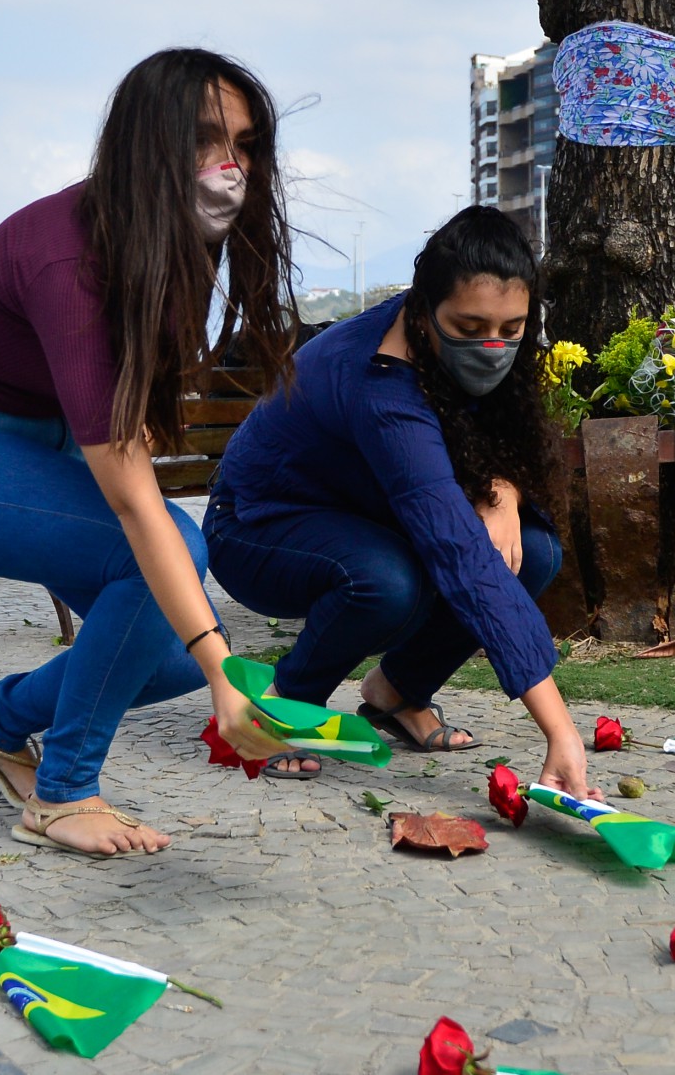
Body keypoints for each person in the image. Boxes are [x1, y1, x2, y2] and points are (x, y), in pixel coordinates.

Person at [0, 49, 298, 857]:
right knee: (177, 563)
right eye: (208, 137)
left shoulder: (170, 246)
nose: (231, 165)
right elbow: (137, 504)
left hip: (42, 445)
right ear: (149, 141)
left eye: (246, 145)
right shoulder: (68, 253)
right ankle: (65, 790)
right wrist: (226, 675)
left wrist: (205, 667)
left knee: (165, 657)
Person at [204, 207, 599, 799]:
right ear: (422, 310)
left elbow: (498, 448)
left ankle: (397, 692)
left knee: (533, 552)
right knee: (388, 582)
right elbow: (457, 555)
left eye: (511, 329)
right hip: (258, 527)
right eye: (469, 328)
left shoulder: (458, 347)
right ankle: (285, 706)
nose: (492, 347)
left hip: (363, 515)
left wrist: (503, 492)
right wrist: (562, 733)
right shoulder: (382, 385)